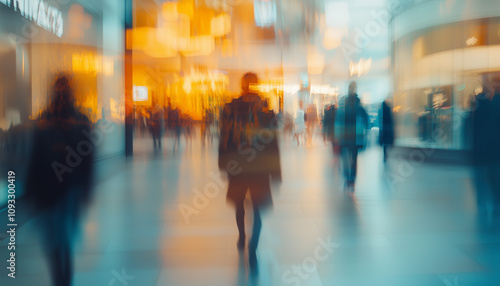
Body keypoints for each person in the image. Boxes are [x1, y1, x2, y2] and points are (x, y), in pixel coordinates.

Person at [24, 74, 94, 286]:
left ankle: (62, 279)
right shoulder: (67, 119)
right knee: (58, 239)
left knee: (59, 238)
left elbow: (86, 157)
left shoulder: (67, 119)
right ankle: (62, 278)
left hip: (62, 188)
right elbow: (36, 155)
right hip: (58, 187)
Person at [218, 72, 281, 272]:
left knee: (239, 202)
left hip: (237, 164)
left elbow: (224, 137)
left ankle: (242, 235)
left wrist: (223, 163)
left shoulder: (229, 108)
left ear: (242, 85)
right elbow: (273, 142)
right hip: (260, 166)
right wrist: (276, 170)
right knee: (258, 206)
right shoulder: (266, 110)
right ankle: (253, 247)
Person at [335, 82, 369, 192]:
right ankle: (351, 181)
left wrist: (337, 135)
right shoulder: (358, 104)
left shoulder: (344, 103)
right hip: (354, 136)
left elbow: (339, 120)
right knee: (353, 159)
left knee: (346, 159)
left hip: (346, 136)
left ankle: (348, 179)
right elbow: (366, 120)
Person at [378, 99, 395, 163]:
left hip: (383, 128)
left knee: (384, 143)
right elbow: (391, 119)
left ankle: (385, 154)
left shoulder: (380, 110)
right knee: (387, 142)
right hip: (388, 128)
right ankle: (386, 154)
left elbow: (380, 120)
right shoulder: (388, 109)